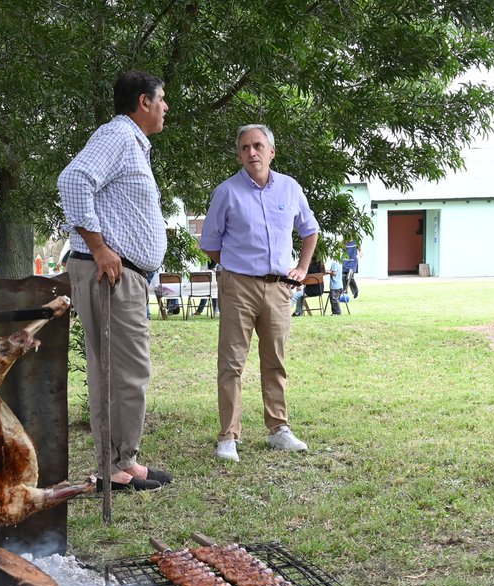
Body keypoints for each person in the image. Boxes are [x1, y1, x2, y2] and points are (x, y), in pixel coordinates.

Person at [57, 70, 173, 491]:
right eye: (161, 99)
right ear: (143, 102)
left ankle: (124, 460)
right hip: (110, 273)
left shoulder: (131, 144)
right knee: (122, 372)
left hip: (123, 276)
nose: (165, 107)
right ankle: (115, 467)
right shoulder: (118, 136)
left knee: (120, 371)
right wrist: (101, 247)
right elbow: (73, 180)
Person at [200, 124, 319, 463]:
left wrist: (301, 268)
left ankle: (278, 429)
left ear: (271, 152)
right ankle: (228, 437)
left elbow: (309, 230)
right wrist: (238, 268)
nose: (251, 152)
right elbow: (210, 244)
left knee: (275, 363)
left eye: (257, 146)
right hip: (238, 287)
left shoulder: (290, 188)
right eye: (244, 148)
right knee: (231, 364)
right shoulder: (227, 192)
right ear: (239, 155)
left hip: (280, 288)